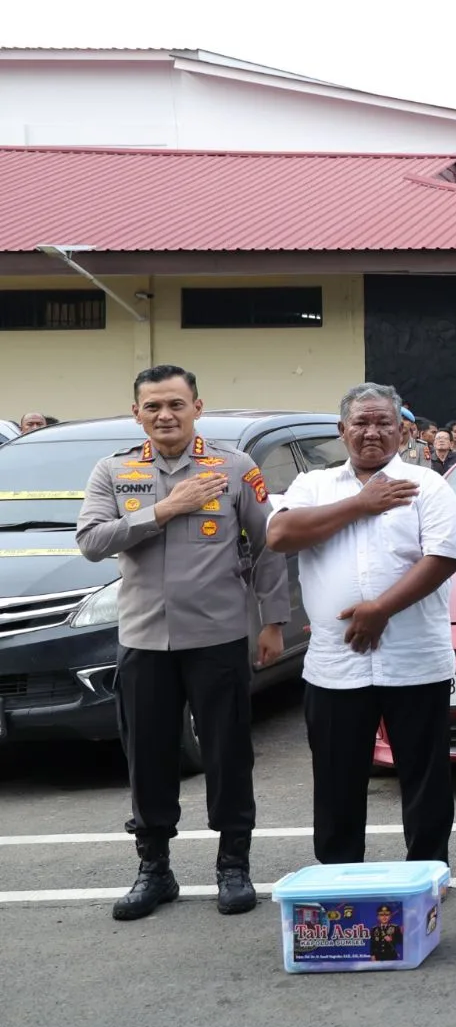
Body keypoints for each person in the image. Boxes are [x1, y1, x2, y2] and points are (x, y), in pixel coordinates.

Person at [77, 364, 288, 921]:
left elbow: (268, 545)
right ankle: (155, 869)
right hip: (144, 638)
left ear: (197, 407)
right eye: (153, 406)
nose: (165, 415)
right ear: (137, 414)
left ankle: (233, 866)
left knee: (227, 753)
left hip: (218, 636)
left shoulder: (234, 467)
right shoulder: (113, 470)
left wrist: (273, 621)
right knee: (148, 755)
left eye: (175, 404)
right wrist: (165, 509)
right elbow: (91, 541)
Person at [266, 383, 456, 870]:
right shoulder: (313, 485)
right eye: (361, 422)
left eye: (383, 423)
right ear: (342, 430)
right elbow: (280, 534)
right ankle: (340, 879)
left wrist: (381, 609)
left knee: (424, 778)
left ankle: (427, 875)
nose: (372, 432)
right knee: (337, 780)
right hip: (336, 666)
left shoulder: (427, 485)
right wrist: (362, 503)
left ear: (403, 431)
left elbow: (443, 556)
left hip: (414, 660)